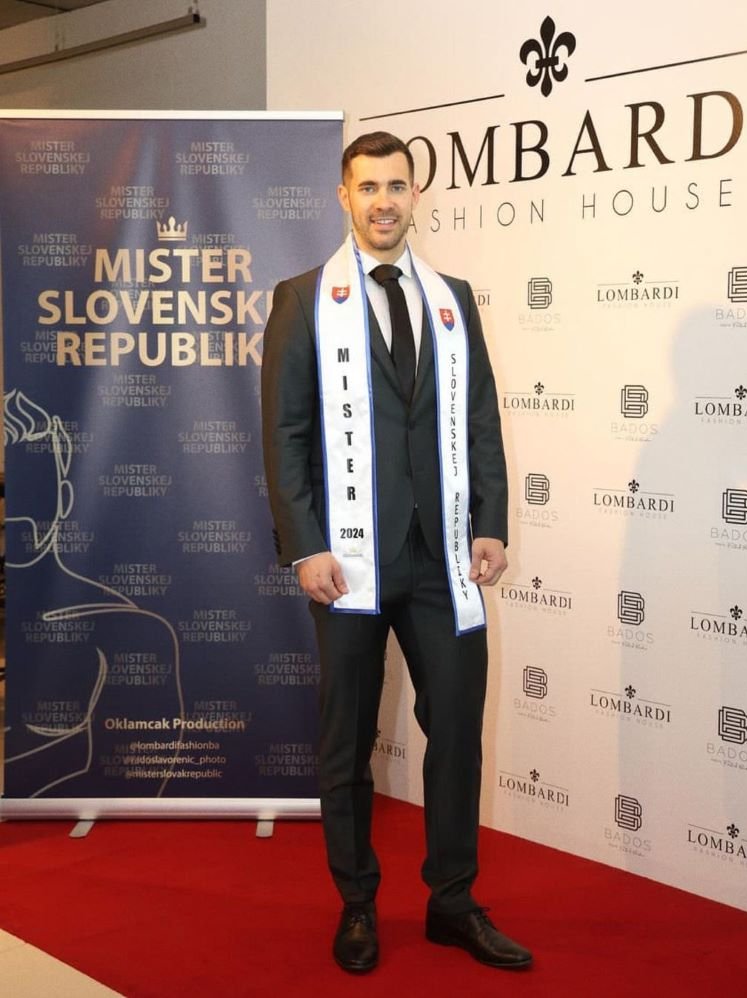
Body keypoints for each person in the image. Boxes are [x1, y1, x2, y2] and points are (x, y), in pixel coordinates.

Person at [261, 131, 531, 973]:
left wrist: (491, 521)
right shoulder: (304, 299)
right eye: (369, 186)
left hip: (442, 557)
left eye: (397, 186)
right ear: (344, 196)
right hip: (347, 561)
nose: (384, 201)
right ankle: (357, 904)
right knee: (347, 740)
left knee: (456, 731)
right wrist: (304, 546)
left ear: (417, 195)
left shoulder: (454, 300)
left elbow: (479, 418)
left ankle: (452, 901)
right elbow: (285, 435)